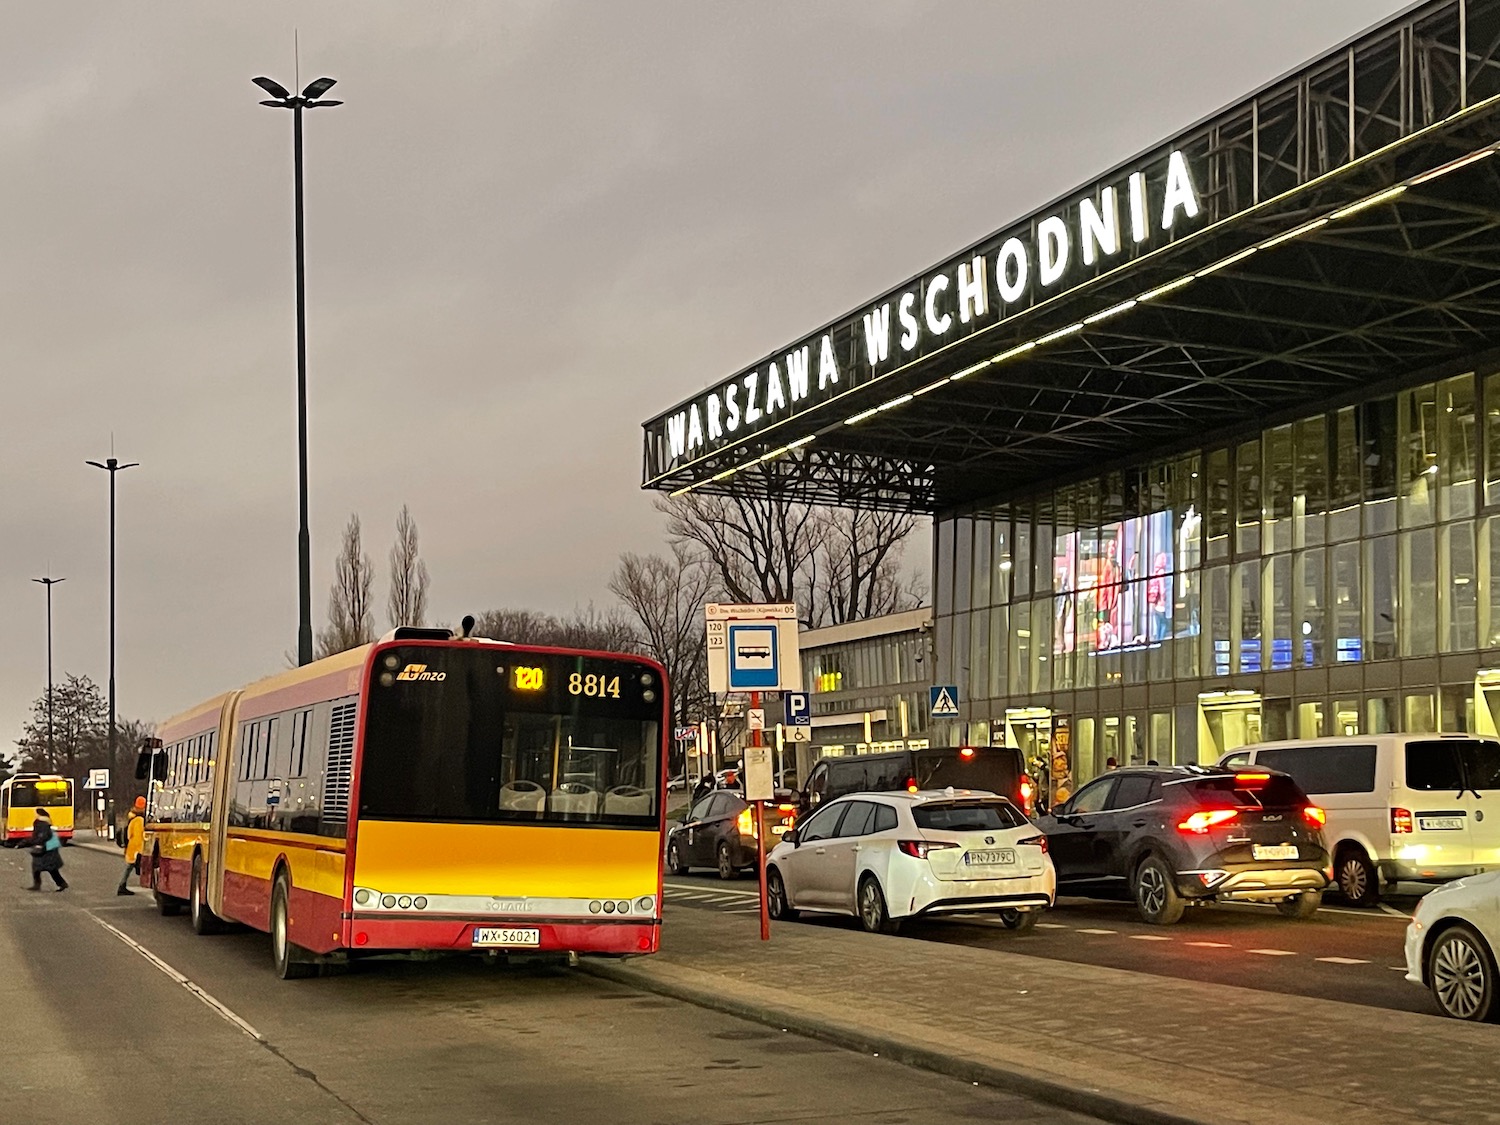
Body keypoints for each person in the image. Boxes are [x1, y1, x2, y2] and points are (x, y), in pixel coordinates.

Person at [25, 808, 67, 892]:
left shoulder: (41, 824)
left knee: (42, 868)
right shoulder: (44, 823)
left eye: (36, 813)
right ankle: (61, 883)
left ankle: (38, 885)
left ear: (39, 815)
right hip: (47, 849)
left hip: (45, 850)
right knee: (49, 868)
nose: (34, 815)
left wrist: (31, 841)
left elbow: (42, 836)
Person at [117, 796, 146, 896]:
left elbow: (129, 835)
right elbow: (138, 837)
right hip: (136, 849)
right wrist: (140, 851)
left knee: (129, 868)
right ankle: (122, 886)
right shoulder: (139, 820)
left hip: (131, 848)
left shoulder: (133, 818)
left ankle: (122, 885)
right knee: (136, 867)